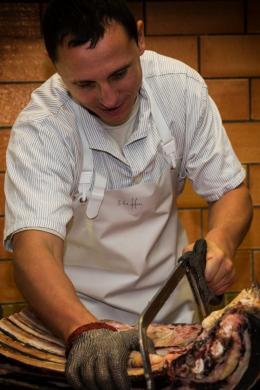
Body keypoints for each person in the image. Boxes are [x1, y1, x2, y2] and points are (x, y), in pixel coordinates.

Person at [4, 0, 253, 388]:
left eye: (119, 73)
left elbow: (231, 192)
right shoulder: (43, 128)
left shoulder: (180, 90)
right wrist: (82, 329)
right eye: (84, 84)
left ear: (139, 37)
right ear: (55, 66)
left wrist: (220, 242)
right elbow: (34, 249)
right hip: (77, 318)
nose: (108, 97)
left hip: (171, 315)